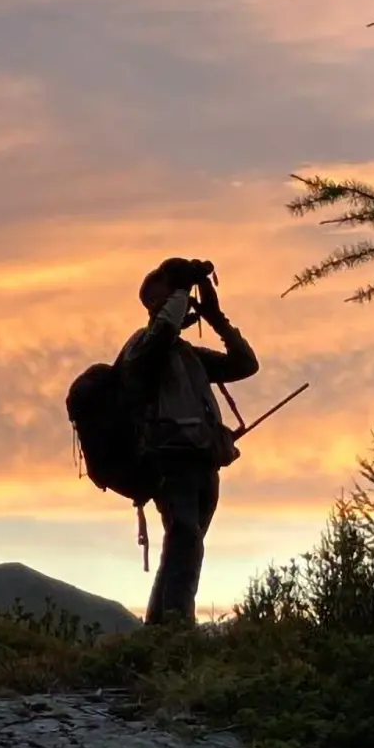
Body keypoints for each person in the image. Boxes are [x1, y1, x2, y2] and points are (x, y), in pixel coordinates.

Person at [118, 256, 260, 626]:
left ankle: (159, 632)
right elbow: (161, 335)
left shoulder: (188, 355)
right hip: (170, 461)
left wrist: (217, 318)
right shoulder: (141, 349)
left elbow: (245, 364)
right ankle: (177, 631)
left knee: (183, 546)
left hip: (203, 460)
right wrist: (181, 289)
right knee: (185, 542)